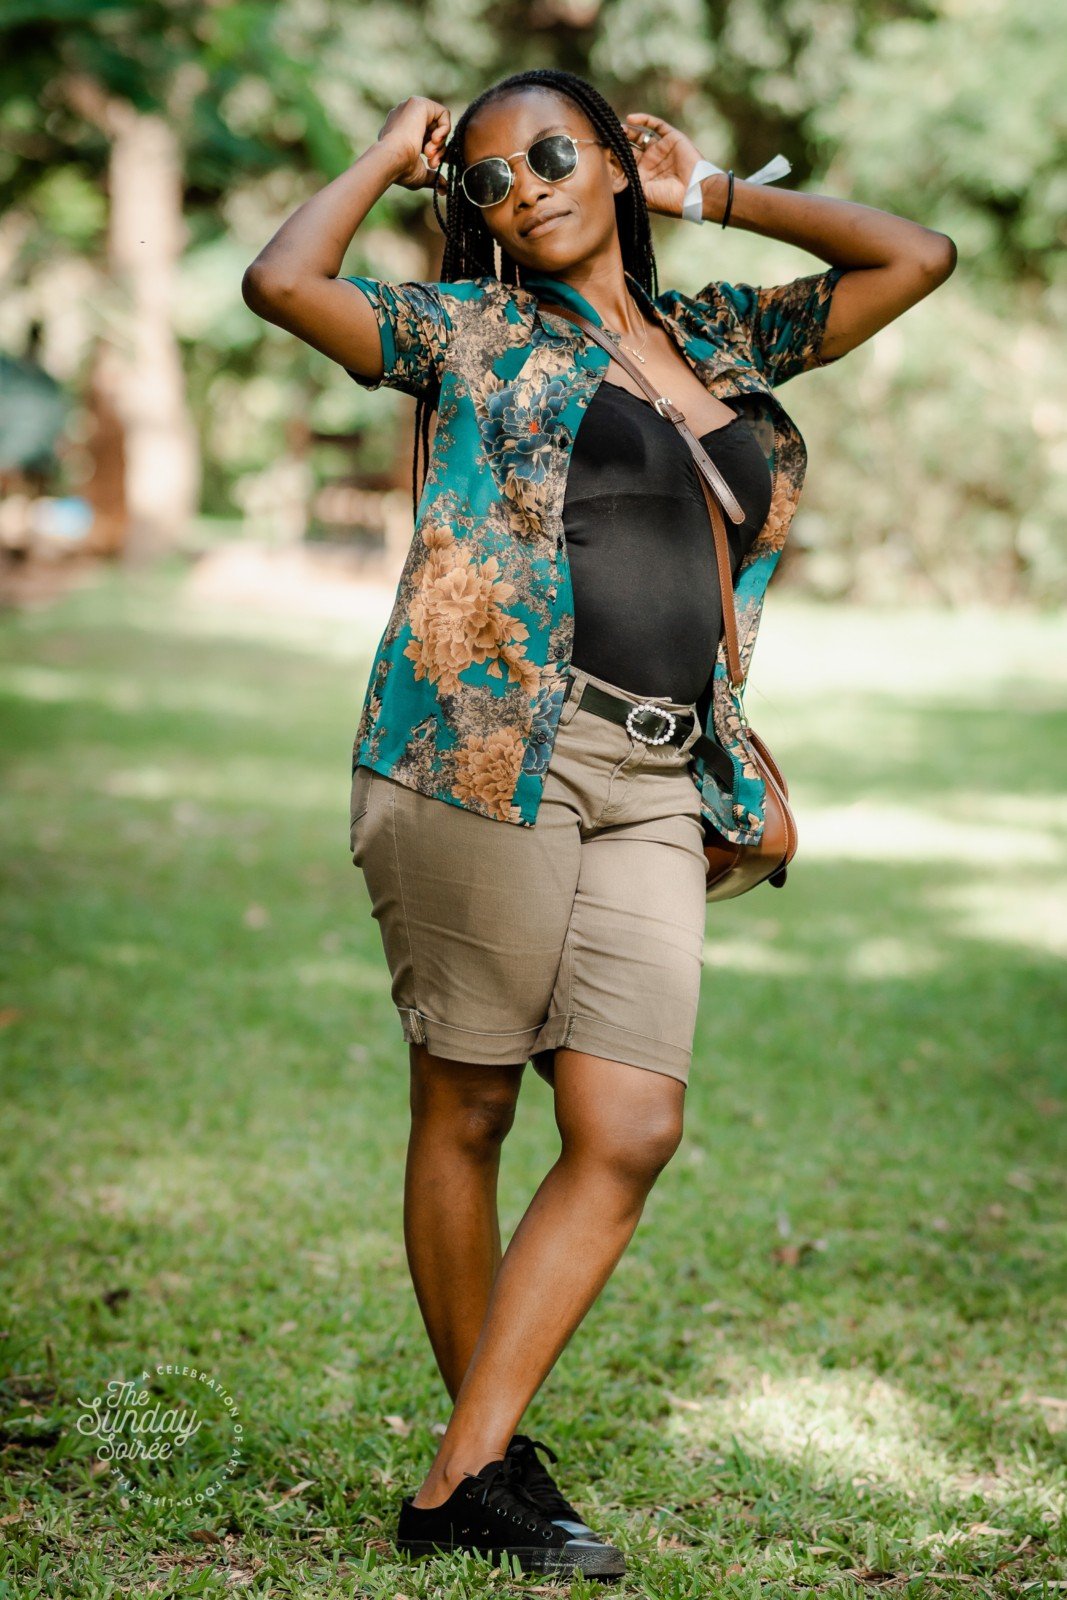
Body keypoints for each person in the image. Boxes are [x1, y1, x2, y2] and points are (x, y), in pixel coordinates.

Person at [242, 67, 956, 1580]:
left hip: (661, 770)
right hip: (482, 749)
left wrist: (721, 193)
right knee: (469, 1108)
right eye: (488, 179)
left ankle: (466, 1470)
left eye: (556, 155)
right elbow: (284, 283)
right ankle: (480, 1469)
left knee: (630, 1127)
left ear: (619, 162)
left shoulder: (717, 333)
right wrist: (385, 154)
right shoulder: (470, 332)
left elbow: (917, 256)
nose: (526, 189)